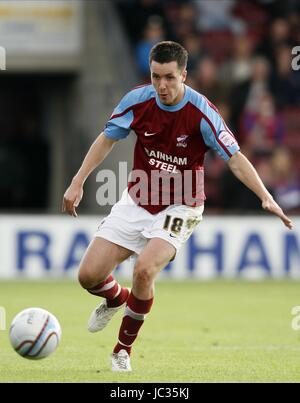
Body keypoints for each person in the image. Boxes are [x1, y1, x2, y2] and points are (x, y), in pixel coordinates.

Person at [62, 41, 293, 372]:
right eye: (156, 77)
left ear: (184, 74)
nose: (162, 86)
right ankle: (117, 299)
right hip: (138, 198)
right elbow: (107, 138)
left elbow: (236, 159)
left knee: (144, 269)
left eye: (169, 77)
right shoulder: (138, 101)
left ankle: (122, 349)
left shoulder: (201, 112)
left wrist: (265, 195)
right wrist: (78, 180)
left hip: (181, 207)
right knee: (88, 276)